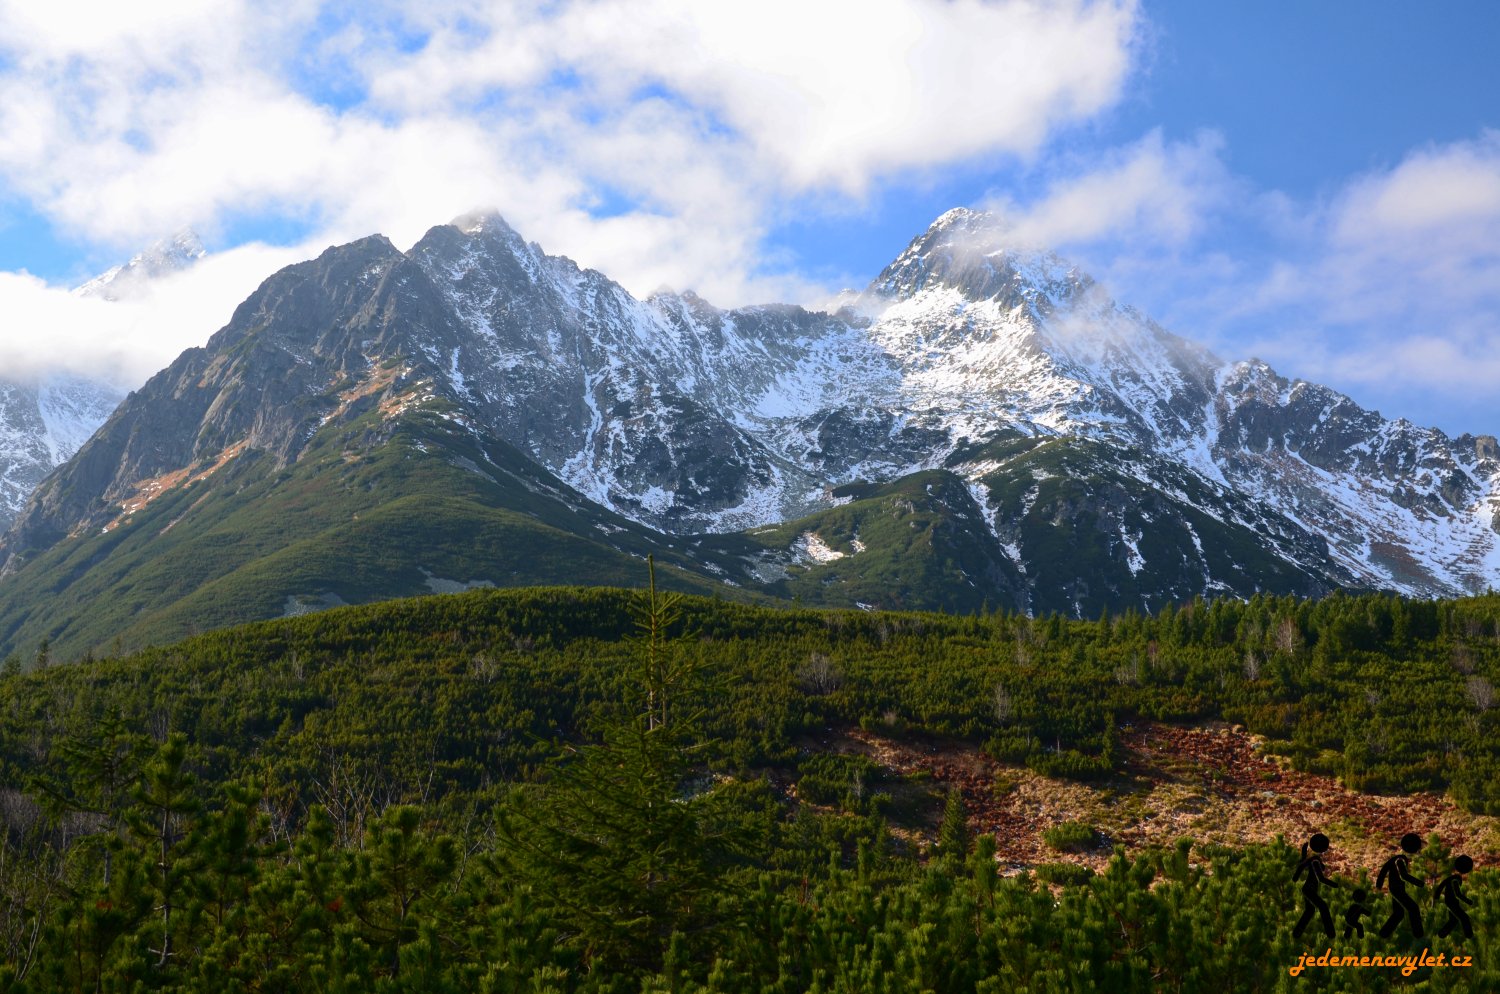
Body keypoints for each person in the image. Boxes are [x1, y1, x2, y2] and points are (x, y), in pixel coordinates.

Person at [1377, 833, 1425, 938]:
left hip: (1395, 888)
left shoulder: (1394, 859)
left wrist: (1378, 885)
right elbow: (1404, 876)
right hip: (1397, 889)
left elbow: (1384, 870)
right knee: (1413, 908)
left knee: (1399, 913)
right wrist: (1419, 883)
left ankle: (1383, 934)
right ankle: (1419, 936)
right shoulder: (1400, 860)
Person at [1293, 833, 1336, 939]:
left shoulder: (1312, 859)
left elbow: (1300, 867)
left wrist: (1295, 878)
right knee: (1323, 907)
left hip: (1308, 888)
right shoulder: (1315, 861)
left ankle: (1296, 933)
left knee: (1310, 910)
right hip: (1309, 889)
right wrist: (1335, 885)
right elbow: (1321, 878)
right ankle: (1331, 934)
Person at [1434, 855, 1474, 939]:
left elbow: (1441, 886)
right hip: (1452, 902)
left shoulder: (1450, 878)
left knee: (1453, 920)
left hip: (1449, 901)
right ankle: (1470, 937)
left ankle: (1440, 936)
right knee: (1464, 918)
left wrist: (1436, 897)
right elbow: (1458, 894)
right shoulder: (1455, 880)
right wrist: (1468, 901)